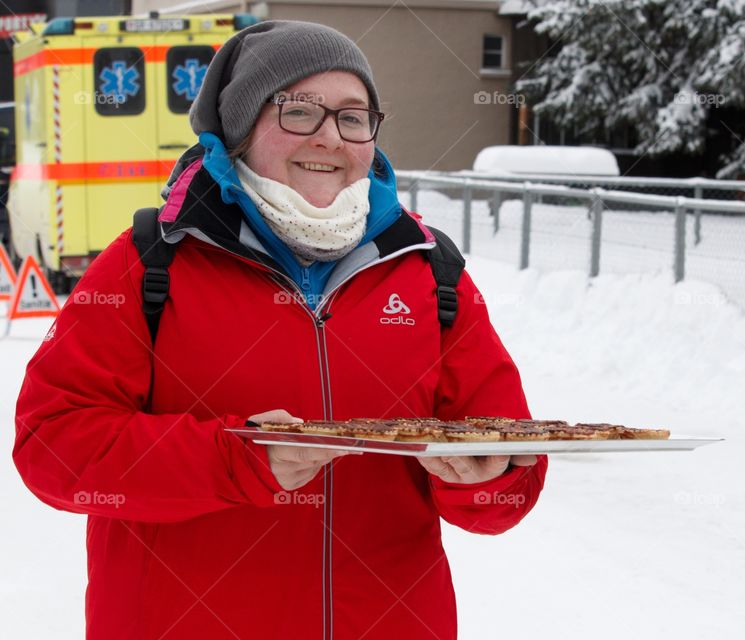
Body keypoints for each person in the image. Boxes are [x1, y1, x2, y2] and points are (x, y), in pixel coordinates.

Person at [13, 21, 547, 640]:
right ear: (240, 129)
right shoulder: (148, 263)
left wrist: (491, 479)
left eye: (354, 117)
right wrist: (231, 461)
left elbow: (509, 463)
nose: (330, 137)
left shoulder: (431, 271)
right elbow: (52, 446)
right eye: (299, 111)